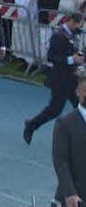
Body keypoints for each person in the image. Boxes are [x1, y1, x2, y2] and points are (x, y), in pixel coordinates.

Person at [24, 13, 85, 144]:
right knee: (54, 110)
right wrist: (71, 60)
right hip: (60, 80)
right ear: (72, 22)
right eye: (79, 24)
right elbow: (51, 57)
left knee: (81, 107)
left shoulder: (74, 35)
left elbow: (74, 53)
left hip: (73, 79)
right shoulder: (59, 36)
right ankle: (32, 125)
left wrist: (78, 63)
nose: (80, 28)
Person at [52, 72, 86, 207]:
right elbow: (60, 161)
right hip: (76, 197)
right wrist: (69, 193)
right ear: (77, 92)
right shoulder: (65, 123)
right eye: (85, 90)